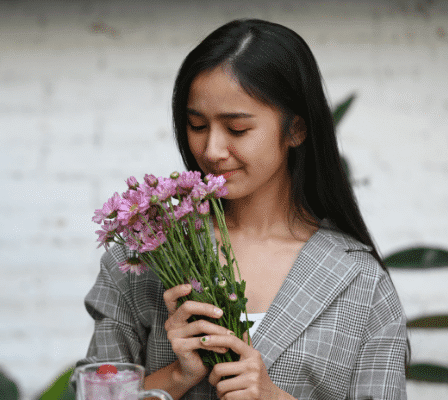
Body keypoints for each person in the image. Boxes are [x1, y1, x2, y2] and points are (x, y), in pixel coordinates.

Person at [78, 19, 408, 400]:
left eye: (237, 129)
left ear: (296, 129)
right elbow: (92, 393)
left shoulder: (360, 283)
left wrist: (273, 396)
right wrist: (176, 376)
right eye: (197, 125)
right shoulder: (147, 256)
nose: (212, 150)